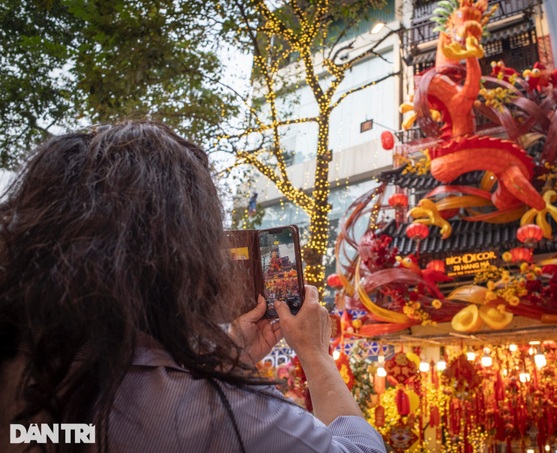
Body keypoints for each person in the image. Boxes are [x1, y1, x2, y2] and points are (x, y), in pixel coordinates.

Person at [0, 120, 385, 453]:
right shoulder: (219, 411)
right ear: (183, 257)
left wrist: (230, 355)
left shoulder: (27, 362)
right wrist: (315, 354)